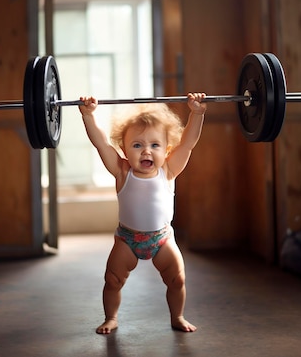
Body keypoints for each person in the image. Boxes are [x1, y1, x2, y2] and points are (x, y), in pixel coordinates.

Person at [78, 93, 207, 334]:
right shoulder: (121, 171)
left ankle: (177, 316)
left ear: (167, 149)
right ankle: (111, 318)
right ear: (125, 149)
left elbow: (188, 143)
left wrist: (197, 113)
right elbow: (101, 143)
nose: (146, 151)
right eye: (137, 145)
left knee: (177, 280)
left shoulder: (168, 170)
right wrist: (88, 116)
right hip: (127, 240)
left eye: (154, 145)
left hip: (162, 239)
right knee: (113, 281)